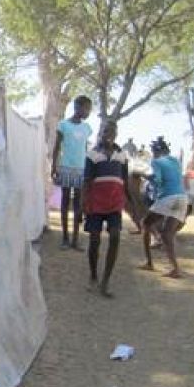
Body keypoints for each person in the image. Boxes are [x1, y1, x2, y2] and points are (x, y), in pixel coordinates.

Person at [82, 120, 128, 298]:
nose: (109, 134)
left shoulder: (121, 154)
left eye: (112, 131)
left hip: (115, 203)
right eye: (105, 131)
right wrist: (82, 206)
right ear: (100, 133)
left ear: (116, 133)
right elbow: (87, 181)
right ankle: (93, 275)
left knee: (115, 236)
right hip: (96, 203)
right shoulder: (92, 154)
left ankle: (105, 281)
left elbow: (124, 179)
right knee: (94, 240)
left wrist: (132, 203)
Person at [139, 137, 188, 279]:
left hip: (168, 197)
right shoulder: (176, 161)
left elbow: (158, 180)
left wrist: (145, 176)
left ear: (155, 152)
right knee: (167, 234)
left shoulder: (156, 162)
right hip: (182, 198)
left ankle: (149, 262)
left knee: (145, 223)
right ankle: (175, 268)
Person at [51, 95, 93, 250]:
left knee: (78, 205)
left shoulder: (87, 128)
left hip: (81, 169)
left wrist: (88, 168)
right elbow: (57, 147)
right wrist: (53, 167)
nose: (88, 112)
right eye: (87, 108)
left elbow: (85, 149)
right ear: (77, 107)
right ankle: (65, 238)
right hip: (66, 167)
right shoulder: (63, 125)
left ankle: (75, 239)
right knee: (65, 202)